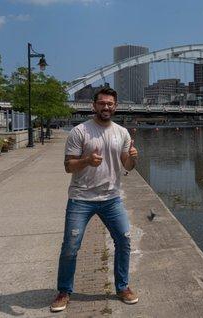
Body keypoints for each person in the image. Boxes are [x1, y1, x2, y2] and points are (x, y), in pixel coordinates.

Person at [50, 87, 138, 312]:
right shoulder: (80, 131)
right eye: (102, 103)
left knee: (124, 240)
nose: (106, 107)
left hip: (111, 198)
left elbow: (127, 166)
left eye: (110, 104)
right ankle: (64, 291)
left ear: (115, 106)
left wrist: (132, 158)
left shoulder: (122, 133)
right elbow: (68, 166)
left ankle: (122, 286)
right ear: (94, 105)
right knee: (70, 246)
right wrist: (87, 160)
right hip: (81, 197)